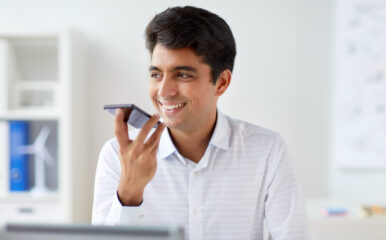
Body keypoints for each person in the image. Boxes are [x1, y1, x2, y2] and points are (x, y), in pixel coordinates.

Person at [92, 6, 309, 240]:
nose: (164, 91)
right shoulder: (117, 156)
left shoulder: (267, 152)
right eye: (156, 75)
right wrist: (129, 195)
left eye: (183, 75)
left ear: (222, 83)